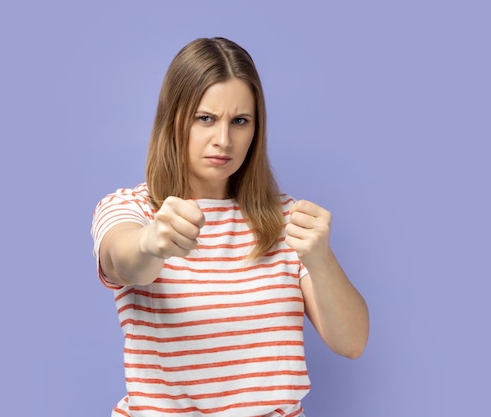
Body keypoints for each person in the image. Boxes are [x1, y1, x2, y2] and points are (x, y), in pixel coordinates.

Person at [91, 37, 369, 417]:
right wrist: (151, 243)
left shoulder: (287, 221)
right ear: (174, 119)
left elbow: (352, 343)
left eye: (240, 121)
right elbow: (121, 259)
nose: (223, 140)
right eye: (205, 118)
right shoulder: (131, 208)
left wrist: (321, 260)